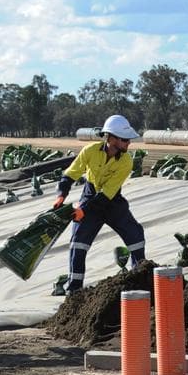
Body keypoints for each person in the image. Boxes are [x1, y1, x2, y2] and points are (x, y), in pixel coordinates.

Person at [52, 114, 146, 295]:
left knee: (136, 236)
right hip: (90, 195)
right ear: (110, 138)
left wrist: (82, 210)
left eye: (128, 140)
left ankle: (140, 281)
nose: (129, 143)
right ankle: (74, 291)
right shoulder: (90, 151)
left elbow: (106, 196)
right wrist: (61, 196)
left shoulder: (126, 161)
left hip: (112, 202)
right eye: (125, 139)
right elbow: (70, 175)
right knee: (78, 244)